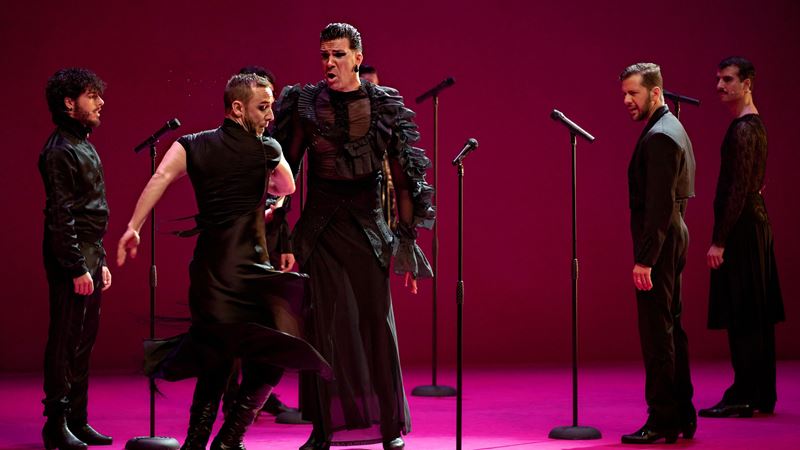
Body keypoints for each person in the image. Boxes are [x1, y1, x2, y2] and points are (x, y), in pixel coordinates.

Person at [117, 73, 330, 450]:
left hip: (210, 276)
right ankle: (229, 438)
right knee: (274, 354)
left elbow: (160, 178)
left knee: (216, 357)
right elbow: (287, 187)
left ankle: (197, 442)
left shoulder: (191, 144)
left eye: (271, 107)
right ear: (237, 108)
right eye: (263, 107)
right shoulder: (267, 149)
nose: (269, 116)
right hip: (249, 276)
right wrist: (267, 195)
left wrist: (134, 226)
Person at [273, 23, 434, 450]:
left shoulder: (383, 105)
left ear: (358, 57)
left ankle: (389, 428)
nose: (330, 62)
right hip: (321, 229)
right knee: (323, 327)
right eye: (325, 54)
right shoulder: (305, 102)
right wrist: (283, 235)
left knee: (376, 325)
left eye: (339, 54)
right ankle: (323, 430)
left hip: (368, 230)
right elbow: (286, 169)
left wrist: (405, 241)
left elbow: (403, 180)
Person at [699, 57, 785, 418]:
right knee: (755, 314)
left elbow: (736, 190)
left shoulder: (744, 129)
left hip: (743, 230)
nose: (720, 86)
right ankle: (760, 393)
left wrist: (719, 240)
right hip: (754, 225)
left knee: (744, 313)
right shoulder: (754, 125)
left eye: (728, 79)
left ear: (747, 82)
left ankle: (745, 395)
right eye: (718, 79)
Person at [619, 63, 697, 444]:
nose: (627, 101)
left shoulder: (662, 135)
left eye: (633, 93)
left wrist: (645, 259)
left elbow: (659, 206)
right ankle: (682, 413)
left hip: (662, 244)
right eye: (624, 94)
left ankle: (664, 417)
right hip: (673, 237)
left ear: (655, 92)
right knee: (670, 327)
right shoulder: (671, 128)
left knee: (658, 333)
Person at [39, 67, 113, 450]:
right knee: (65, 339)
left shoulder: (82, 142)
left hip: (88, 253)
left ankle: (78, 420)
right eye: (91, 96)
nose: (100, 102)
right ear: (70, 104)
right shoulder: (59, 151)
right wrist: (75, 266)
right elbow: (61, 217)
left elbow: (89, 212)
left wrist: (96, 260)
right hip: (71, 257)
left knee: (84, 341)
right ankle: (56, 425)